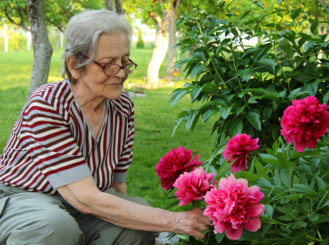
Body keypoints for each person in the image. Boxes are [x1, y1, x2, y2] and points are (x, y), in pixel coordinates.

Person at [0, 9, 210, 245]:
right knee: (55, 228)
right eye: (109, 64)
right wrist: (174, 221)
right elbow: (84, 198)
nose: (121, 73)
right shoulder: (48, 105)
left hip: (85, 200)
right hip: (25, 196)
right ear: (75, 65)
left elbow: (117, 185)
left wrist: (140, 223)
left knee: (138, 221)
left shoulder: (122, 107)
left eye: (125, 61)